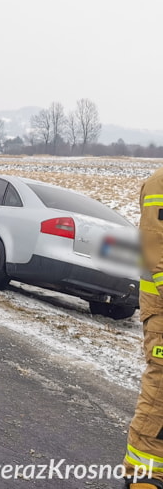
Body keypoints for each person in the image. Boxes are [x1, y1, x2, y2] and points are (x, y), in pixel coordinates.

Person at [123, 165, 163, 488]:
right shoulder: (160, 184)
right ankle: (142, 474)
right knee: (160, 388)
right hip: (162, 312)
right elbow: (155, 249)